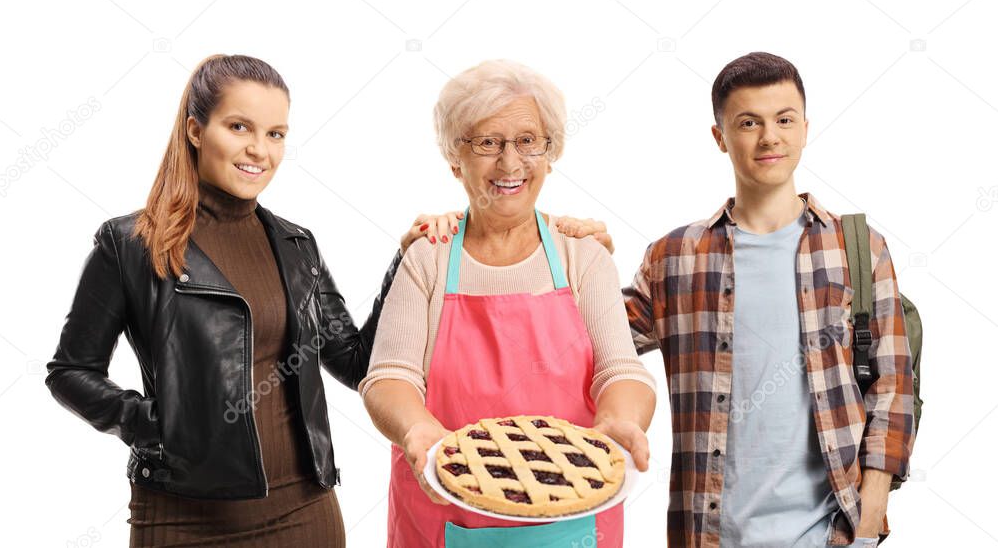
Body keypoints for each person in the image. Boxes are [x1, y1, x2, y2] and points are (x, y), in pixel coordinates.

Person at [45, 54, 454, 547]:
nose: (259, 150)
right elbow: (70, 371)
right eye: (240, 127)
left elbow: (355, 361)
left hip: (305, 511)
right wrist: (154, 425)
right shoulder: (130, 244)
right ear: (197, 130)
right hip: (181, 518)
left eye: (276, 134)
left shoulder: (296, 245)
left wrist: (403, 262)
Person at [560, 52, 916, 546]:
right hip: (707, 533)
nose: (770, 137)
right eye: (749, 123)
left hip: (830, 533)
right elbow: (580, 339)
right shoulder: (674, 258)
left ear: (805, 128)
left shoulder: (857, 247)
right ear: (720, 137)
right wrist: (573, 258)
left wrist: (870, 515)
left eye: (784, 120)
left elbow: (893, 387)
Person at [360, 59, 657, 547]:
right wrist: (416, 429)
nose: (510, 163)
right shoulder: (428, 258)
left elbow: (620, 370)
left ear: (550, 150)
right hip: (444, 516)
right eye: (487, 143)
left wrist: (620, 419)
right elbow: (390, 376)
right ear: (455, 158)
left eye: (527, 141)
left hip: (572, 520)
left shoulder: (581, 255)